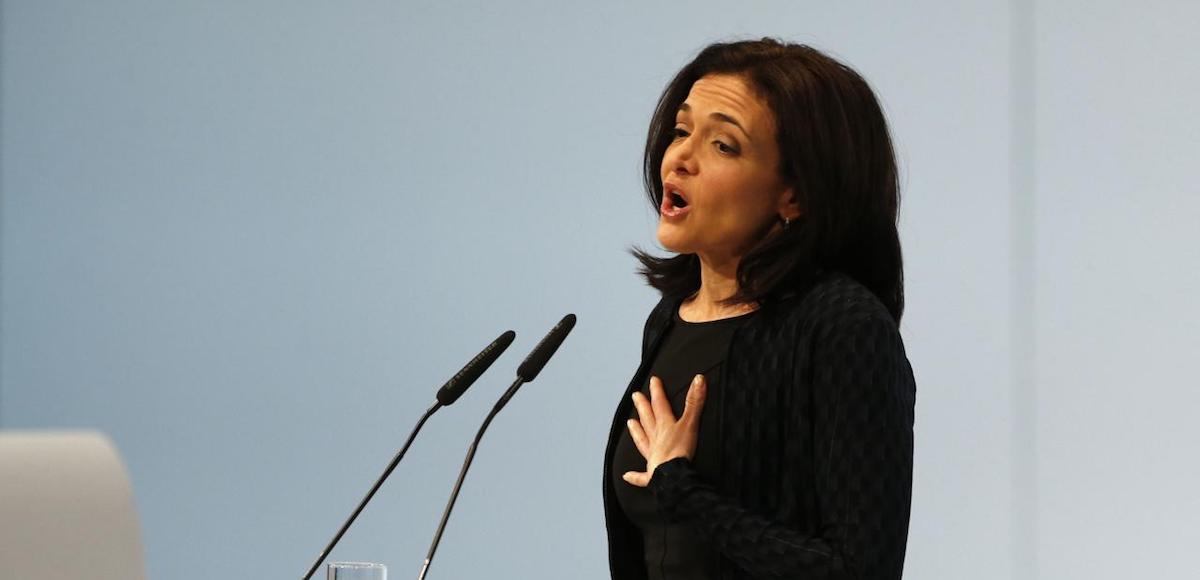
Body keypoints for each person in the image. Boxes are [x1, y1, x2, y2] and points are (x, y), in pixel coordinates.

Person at [602, 39, 916, 580]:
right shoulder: (670, 320)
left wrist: (684, 490)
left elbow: (859, 570)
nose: (679, 157)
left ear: (795, 195)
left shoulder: (844, 328)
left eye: (723, 145)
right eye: (681, 131)